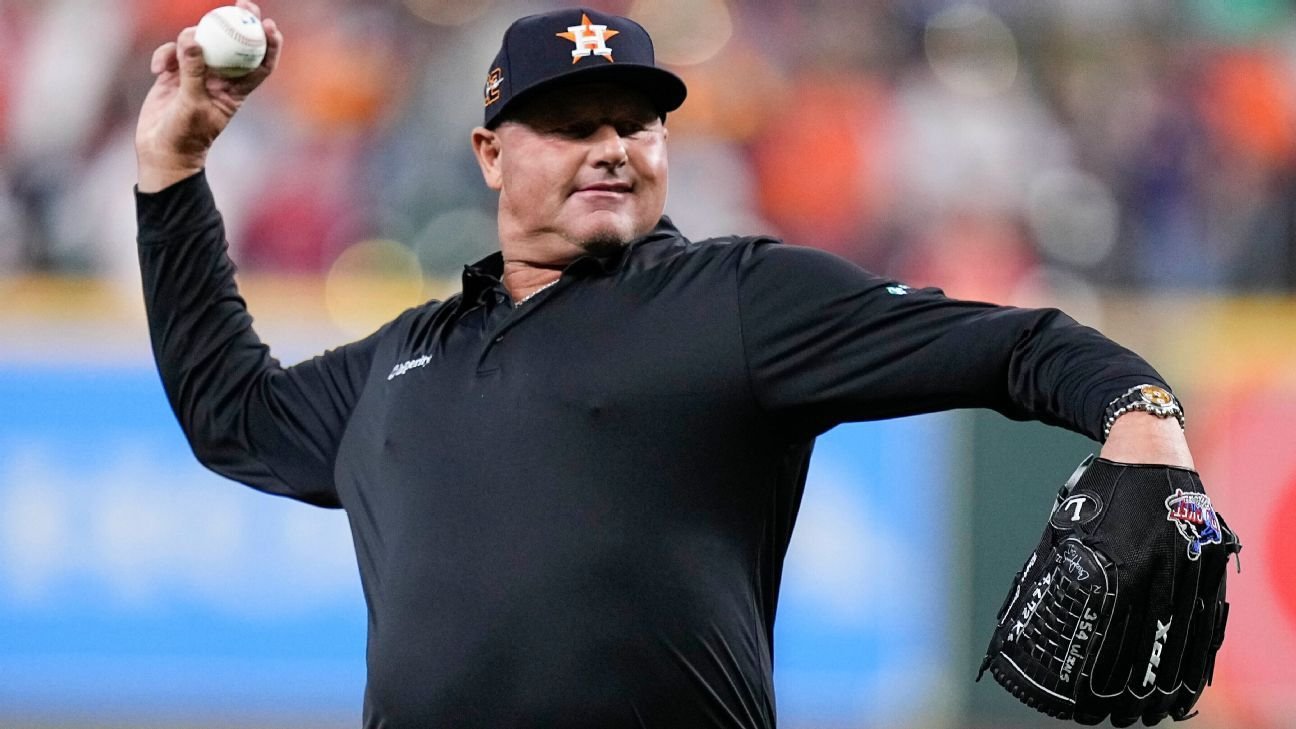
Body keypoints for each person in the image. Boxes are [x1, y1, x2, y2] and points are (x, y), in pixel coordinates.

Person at [134, 3, 1198, 728]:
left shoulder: (735, 300)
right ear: (491, 155)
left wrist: (1140, 410)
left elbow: (1013, 343)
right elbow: (233, 415)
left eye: (635, 123)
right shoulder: (404, 359)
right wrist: (174, 167)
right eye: (569, 125)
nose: (611, 146)